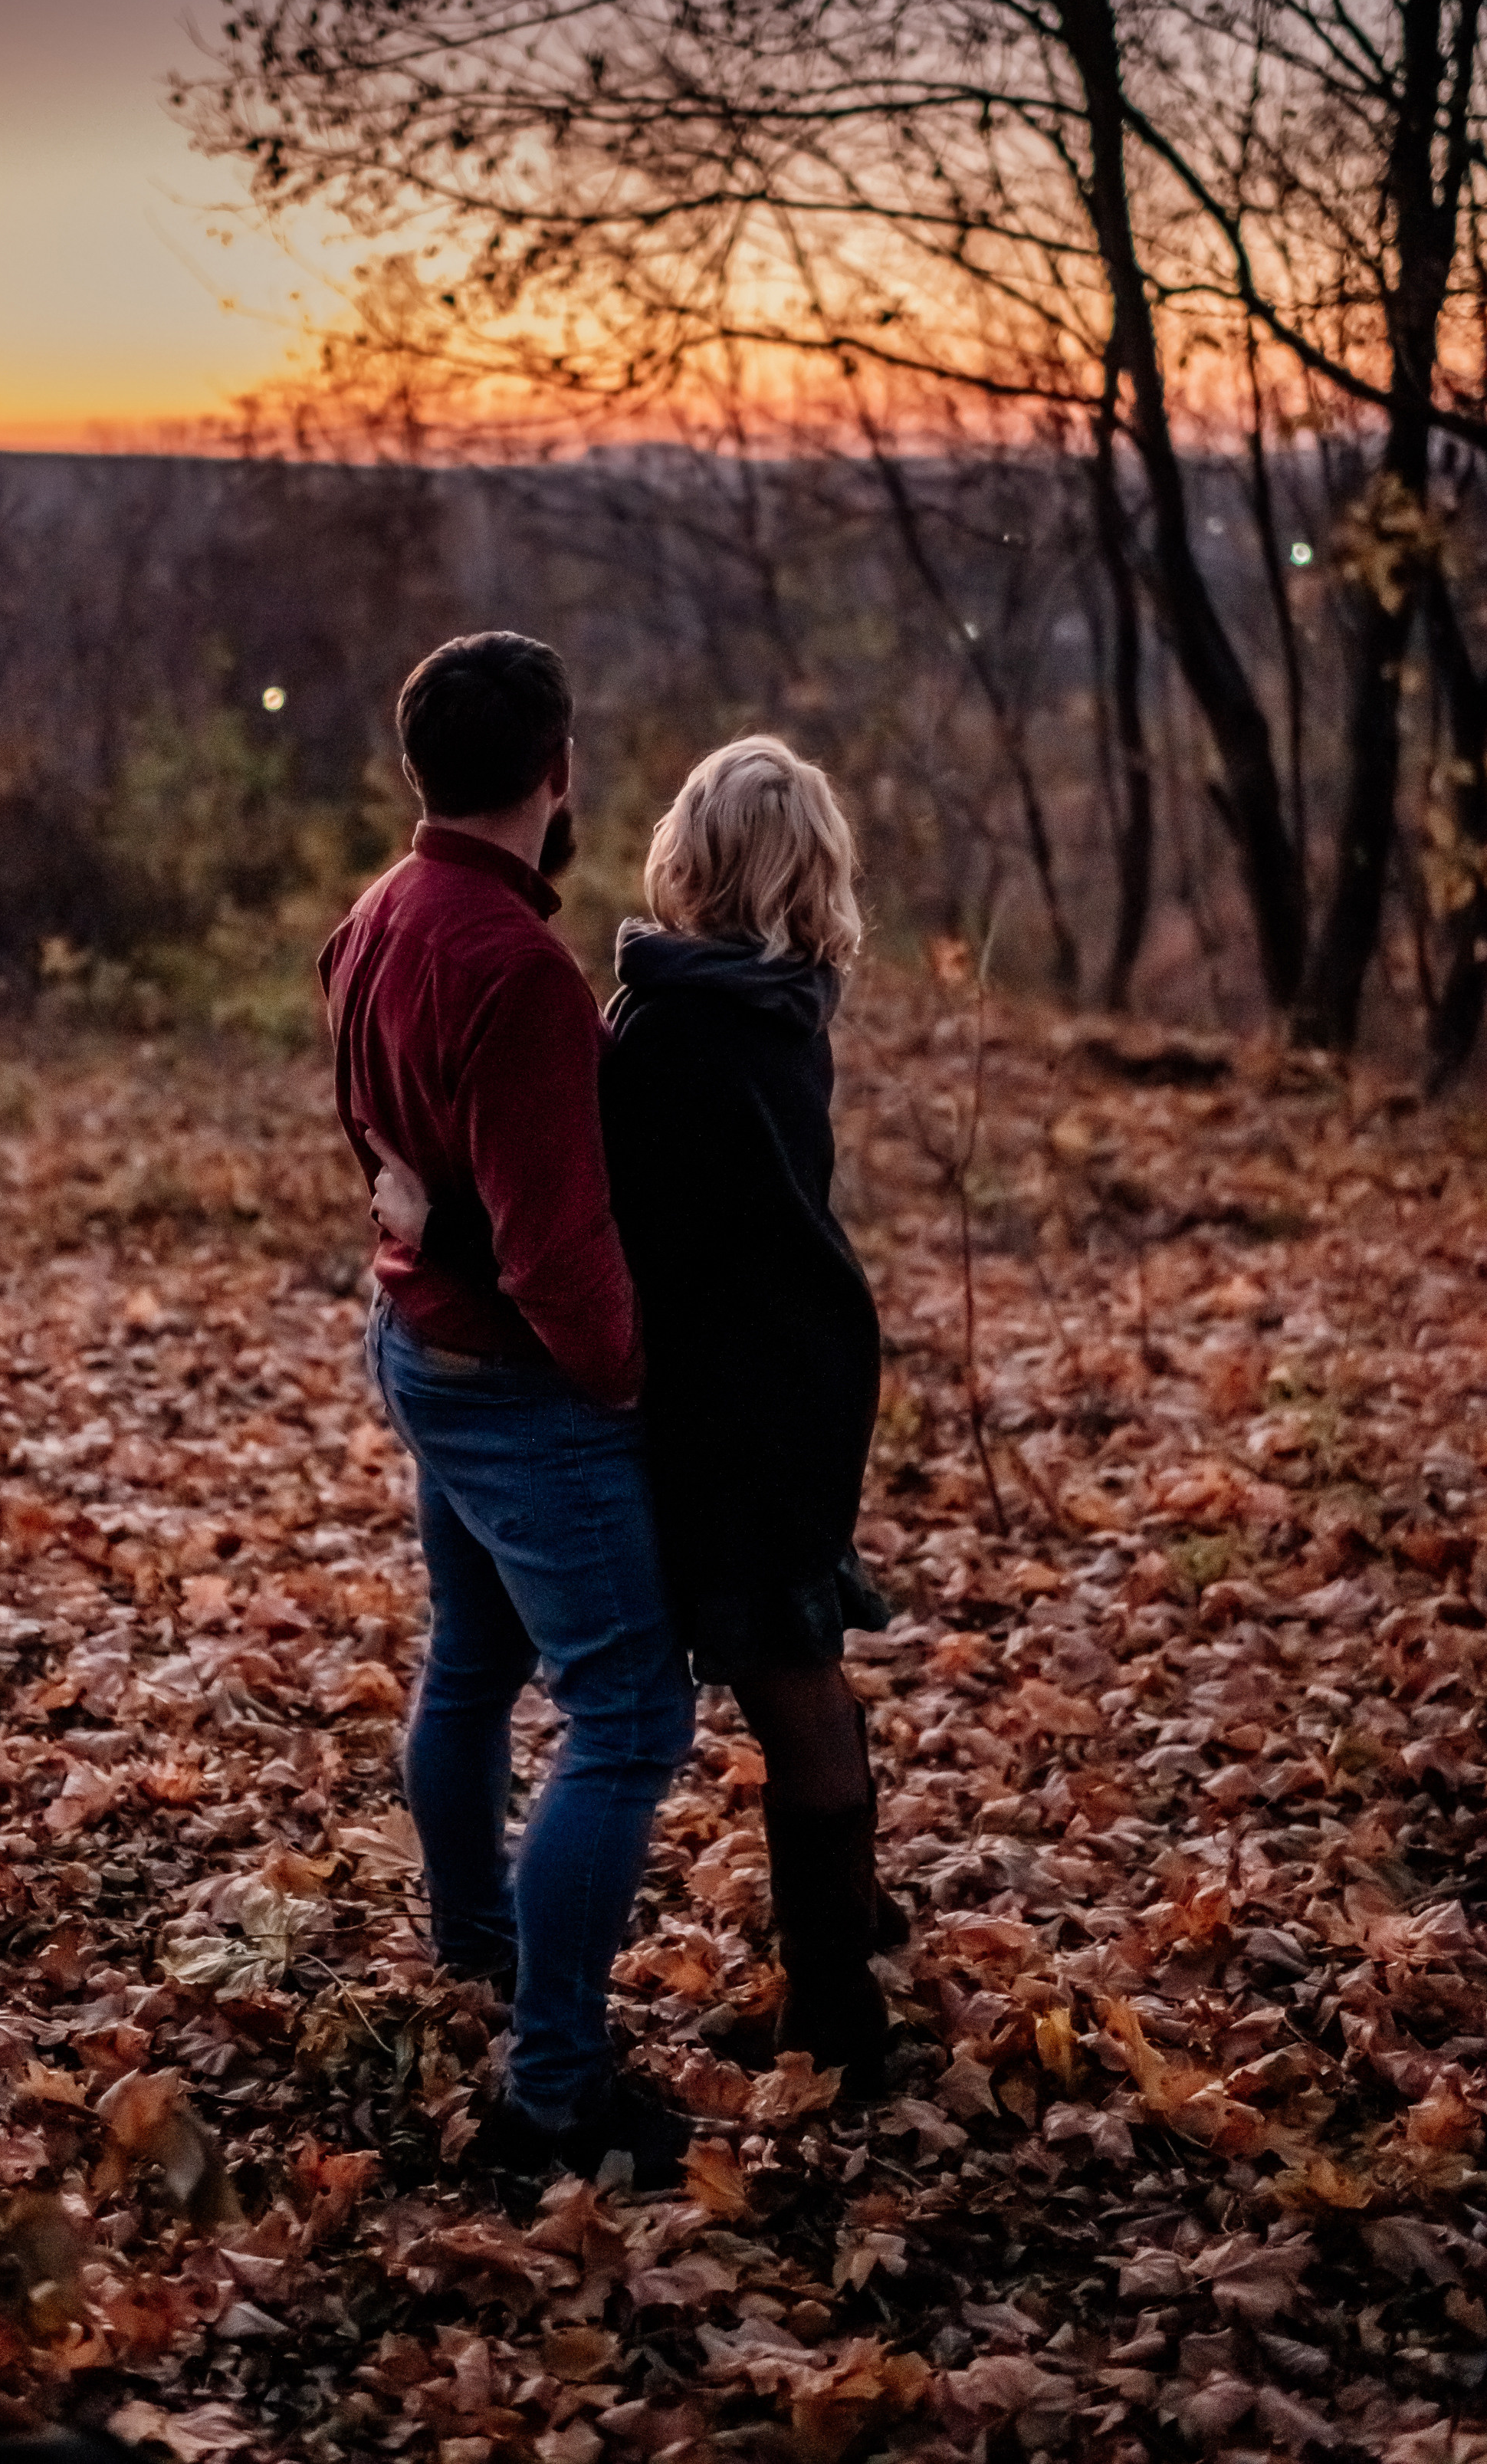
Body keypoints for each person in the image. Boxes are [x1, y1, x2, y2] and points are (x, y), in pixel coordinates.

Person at [376, 736, 899, 2092]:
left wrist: (432, 1222)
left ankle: (836, 2007)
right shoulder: (781, 999)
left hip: (740, 1410)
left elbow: (576, 1221)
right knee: (802, 1679)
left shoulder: (675, 1029)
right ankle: (843, 1947)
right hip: (797, 1382)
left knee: (789, 1690)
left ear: (690, 856)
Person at [317, 629, 696, 2190]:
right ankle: (554, 2087)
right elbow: (556, 1246)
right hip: (517, 1388)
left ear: (420, 770)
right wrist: (623, 1376)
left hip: (418, 1342)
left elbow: (388, 1144)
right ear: (554, 771)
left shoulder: (373, 915)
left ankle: (474, 1942)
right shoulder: (525, 973)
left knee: (473, 1659)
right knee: (626, 1716)